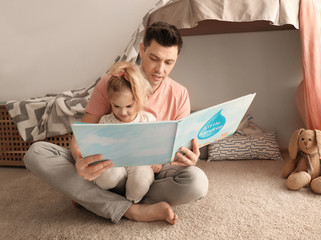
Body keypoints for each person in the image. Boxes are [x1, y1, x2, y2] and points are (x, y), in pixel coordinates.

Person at [24, 21, 208, 225]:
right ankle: (134, 210)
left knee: (197, 182)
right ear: (141, 49)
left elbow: (179, 150)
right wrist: (79, 161)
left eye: (168, 62)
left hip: (149, 175)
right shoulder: (111, 83)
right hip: (107, 170)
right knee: (37, 153)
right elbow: (83, 134)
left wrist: (187, 157)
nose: (160, 69)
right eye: (154, 58)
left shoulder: (180, 94)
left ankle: (95, 200)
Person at [94, 61, 161, 204]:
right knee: (105, 175)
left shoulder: (147, 120)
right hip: (115, 167)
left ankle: (129, 203)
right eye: (116, 106)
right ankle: (116, 198)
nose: (123, 112)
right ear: (110, 102)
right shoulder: (106, 121)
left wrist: (157, 161)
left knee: (141, 177)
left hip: (139, 164)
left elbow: (156, 145)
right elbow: (99, 148)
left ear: (139, 100)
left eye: (129, 106)